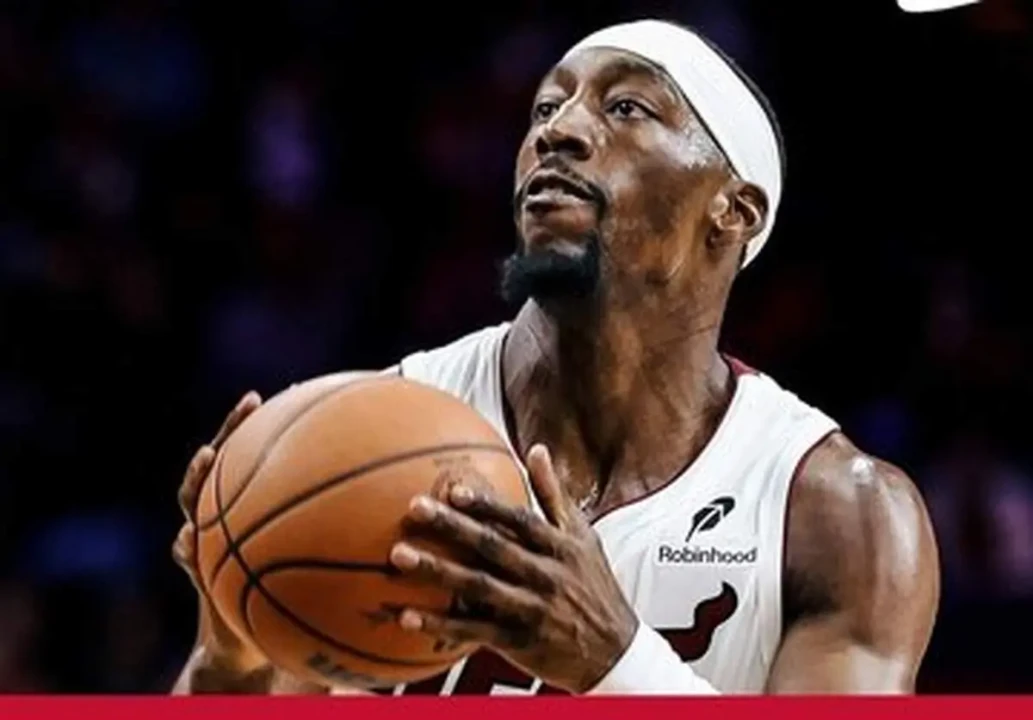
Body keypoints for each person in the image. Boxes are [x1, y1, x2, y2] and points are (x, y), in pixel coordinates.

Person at [171, 19, 939, 696]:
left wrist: (614, 660)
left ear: (733, 210)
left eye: (626, 108)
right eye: (544, 109)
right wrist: (232, 657)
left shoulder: (836, 513)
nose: (558, 130)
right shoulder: (364, 437)